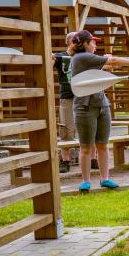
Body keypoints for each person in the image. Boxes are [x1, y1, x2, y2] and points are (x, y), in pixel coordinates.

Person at [69, 30, 129, 192]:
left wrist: (110, 62)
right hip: (84, 107)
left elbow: (109, 65)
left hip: (101, 105)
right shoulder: (81, 57)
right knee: (86, 147)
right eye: (93, 42)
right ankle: (86, 181)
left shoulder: (88, 59)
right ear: (84, 44)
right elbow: (114, 60)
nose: (95, 45)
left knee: (102, 145)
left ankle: (105, 179)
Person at [52, 31, 77, 173]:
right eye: (76, 40)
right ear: (70, 41)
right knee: (65, 129)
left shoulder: (83, 56)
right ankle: (65, 161)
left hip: (83, 96)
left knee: (88, 128)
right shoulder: (60, 57)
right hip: (67, 96)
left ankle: (92, 159)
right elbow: (49, 64)